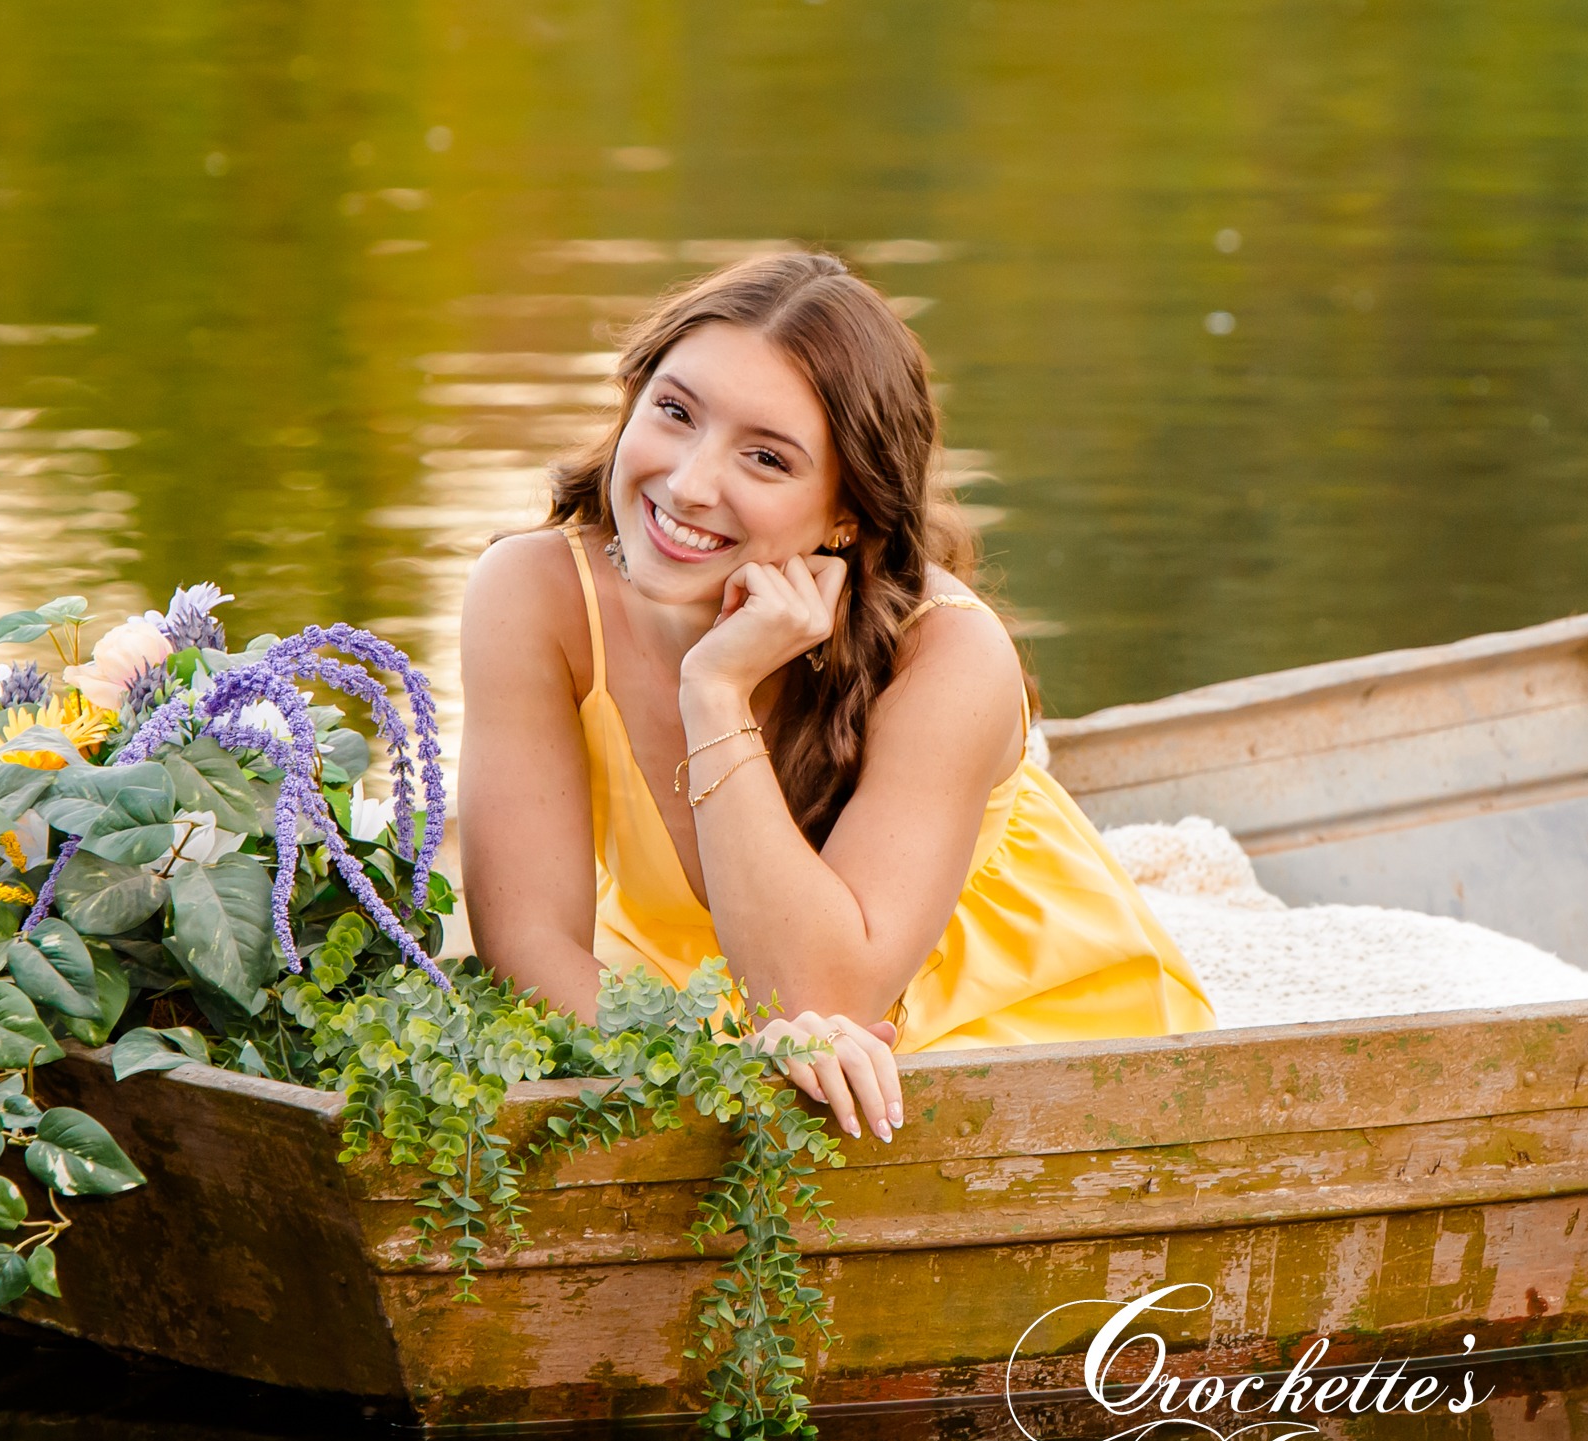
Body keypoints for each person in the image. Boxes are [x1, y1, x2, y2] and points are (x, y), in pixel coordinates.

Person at [460, 251, 1214, 1144]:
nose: (691, 482)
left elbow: (825, 999)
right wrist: (707, 1066)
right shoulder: (532, 590)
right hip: (689, 999)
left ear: (846, 513)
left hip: (980, 1014)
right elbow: (531, 947)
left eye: (767, 458)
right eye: (674, 411)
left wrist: (715, 688)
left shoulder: (948, 652)